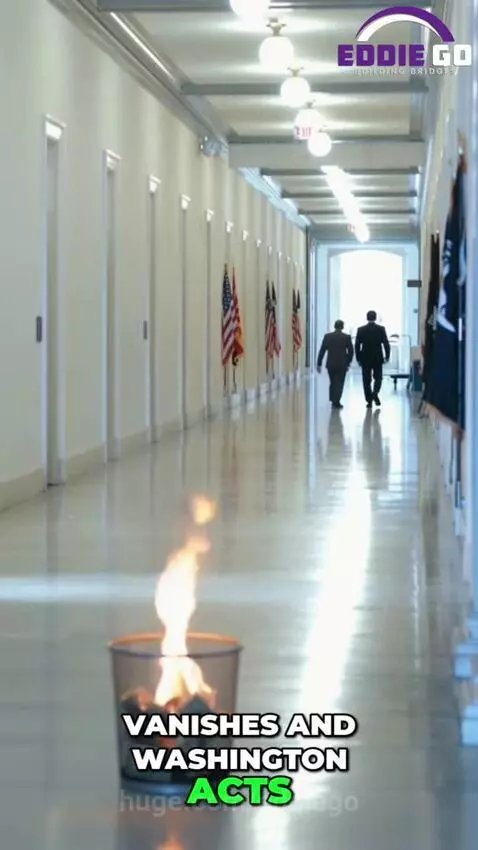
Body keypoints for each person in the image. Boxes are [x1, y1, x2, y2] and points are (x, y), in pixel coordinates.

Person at [355, 311, 391, 408]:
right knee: (378, 378)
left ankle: (369, 401)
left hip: (365, 358)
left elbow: (357, 345)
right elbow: (386, 343)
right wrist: (387, 356)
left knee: (366, 380)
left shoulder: (361, 330)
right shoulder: (381, 329)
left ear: (367, 318)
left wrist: (358, 358)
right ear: (375, 318)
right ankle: (375, 393)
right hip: (377, 357)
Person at [317, 320, 354, 409]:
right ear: (342, 327)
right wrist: (348, 362)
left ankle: (333, 399)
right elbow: (351, 352)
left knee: (333, 382)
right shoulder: (346, 337)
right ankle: (336, 401)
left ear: (334, 326)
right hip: (342, 364)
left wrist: (319, 363)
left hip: (331, 364)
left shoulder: (328, 336)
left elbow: (322, 350)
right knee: (340, 383)